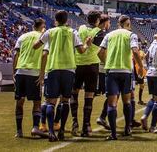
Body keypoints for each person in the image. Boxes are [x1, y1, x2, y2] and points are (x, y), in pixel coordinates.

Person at [34, 10, 90, 142]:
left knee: (51, 102)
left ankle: (51, 132)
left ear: (55, 20)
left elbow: (36, 46)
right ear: (67, 21)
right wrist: (87, 43)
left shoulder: (50, 32)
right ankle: (62, 130)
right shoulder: (73, 32)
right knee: (65, 101)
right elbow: (81, 51)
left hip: (53, 69)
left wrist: (42, 36)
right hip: (69, 70)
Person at [99, 15, 143, 141]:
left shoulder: (109, 35)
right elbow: (135, 51)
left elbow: (100, 52)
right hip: (126, 72)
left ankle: (113, 134)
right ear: (128, 24)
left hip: (111, 71)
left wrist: (107, 62)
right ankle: (127, 129)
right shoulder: (131, 35)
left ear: (118, 23)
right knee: (127, 102)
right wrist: (140, 66)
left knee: (112, 104)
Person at [70, 12, 108, 137]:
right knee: (89, 96)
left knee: (74, 93)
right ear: (97, 20)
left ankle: (74, 123)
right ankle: (86, 126)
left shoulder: (80, 28)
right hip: (92, 65)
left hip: (77, 64)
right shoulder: (99, 32)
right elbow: (101, 52)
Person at [12, 18, 47, 139]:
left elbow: (15, 54)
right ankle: (35, 127)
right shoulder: (43, 37)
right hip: (34, 72)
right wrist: (42, 73)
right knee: (37, 102)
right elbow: (44, 55)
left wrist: (14, 72)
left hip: (20, 71)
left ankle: (19, 131)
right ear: (42, 26)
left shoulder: (22, 37)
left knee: (19, 101)